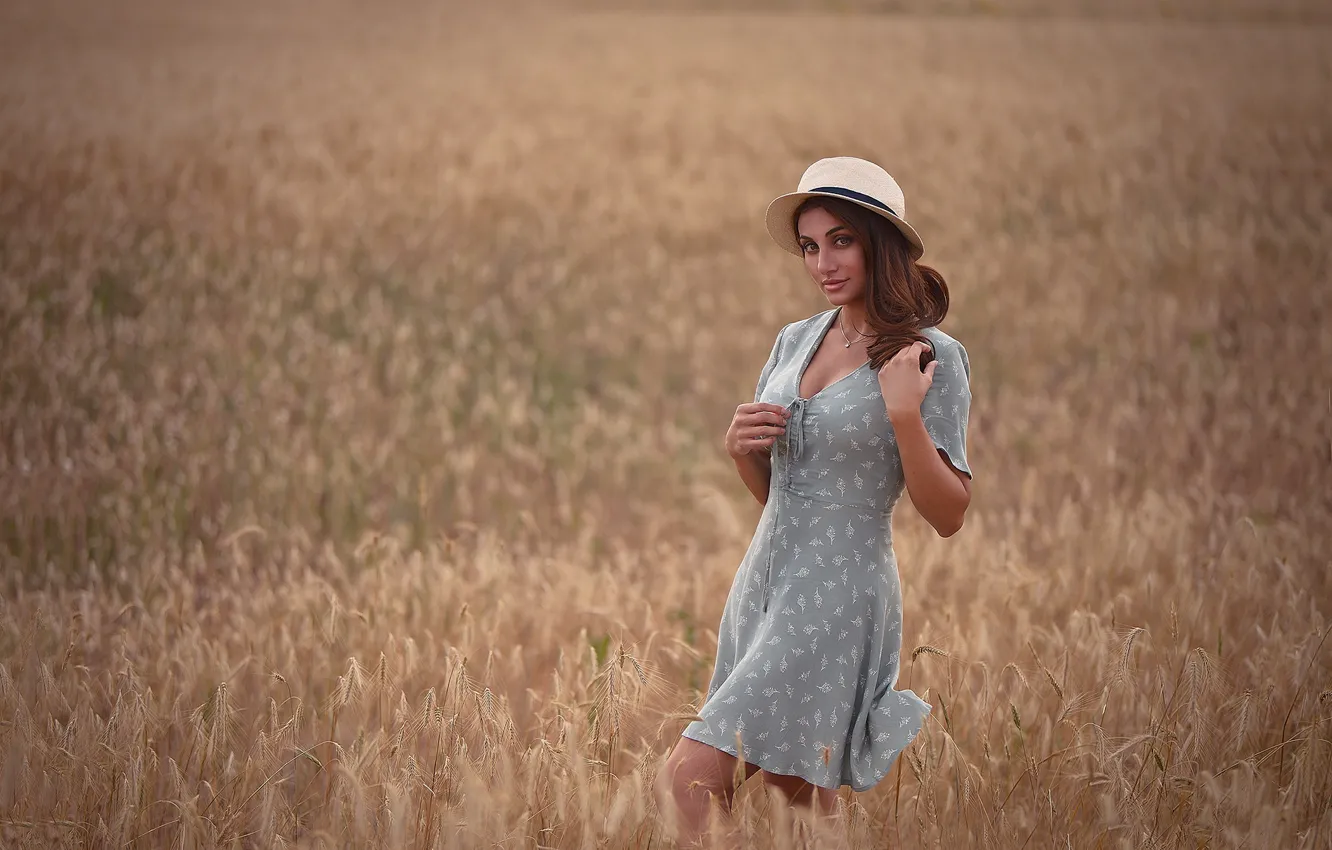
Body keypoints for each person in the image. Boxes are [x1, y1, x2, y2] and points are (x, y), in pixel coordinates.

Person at [655, 157, 974, 845]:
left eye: (840, 240)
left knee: (689, 780)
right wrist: (742, 450)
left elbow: (949, 514)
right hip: (765, 583)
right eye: (809, 245)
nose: (822, 261)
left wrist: (905, 417)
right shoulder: (795, 339)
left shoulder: (928, 356)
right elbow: (784, 494)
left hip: (837, 597)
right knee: (793, 807)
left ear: (878, 242)